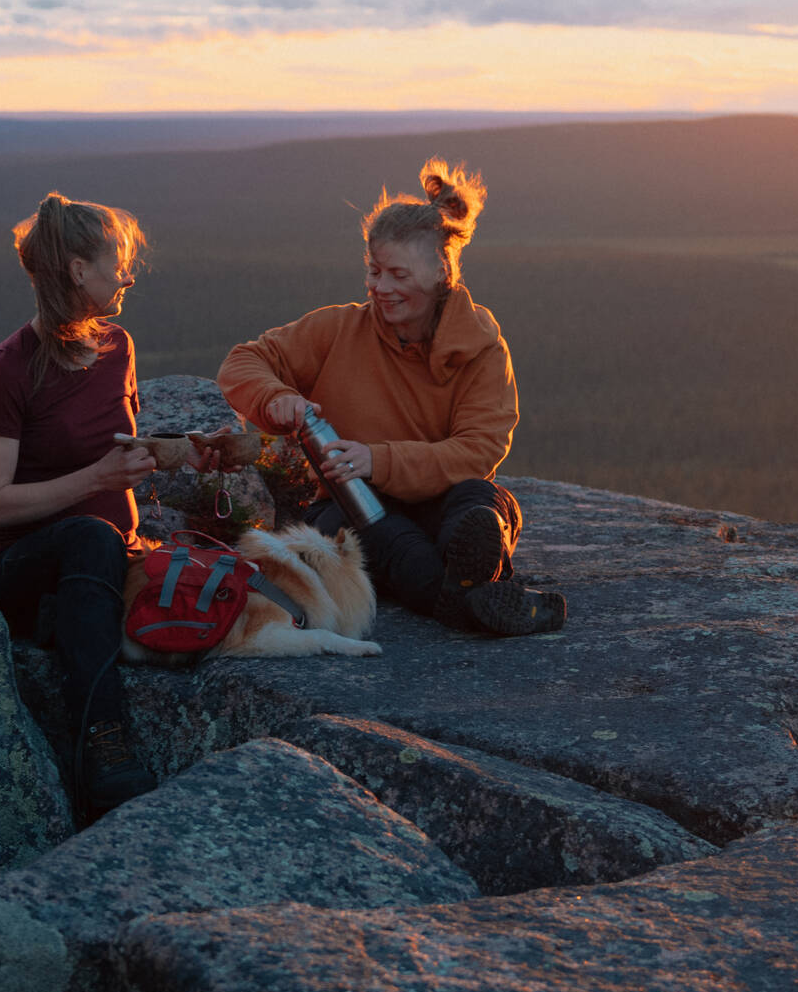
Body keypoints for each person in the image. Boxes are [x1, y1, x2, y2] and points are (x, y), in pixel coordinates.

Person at [217, 160, 567, 637]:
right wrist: (274, 396)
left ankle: (463, 584)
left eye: (398, 275)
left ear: (441, 271)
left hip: (444, 501)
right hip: (356, 504)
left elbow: (481, 448)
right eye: (374, 271)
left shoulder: (481, 347)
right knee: (363, 526)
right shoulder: (339, 328)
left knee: (479, 502)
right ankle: (473, 600)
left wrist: (376, 460)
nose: (380, 288)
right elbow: (242, 363)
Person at [0, 194, 157, 814]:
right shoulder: (8, 370)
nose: (126, 276)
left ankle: (75, 616)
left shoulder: (119, 345)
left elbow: (118, 448)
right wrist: (95, 479)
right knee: (88, 537)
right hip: (29, 565)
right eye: (117, 264)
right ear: (78, 271)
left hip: (109, 557)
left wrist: (187, 455)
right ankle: (102, 744)